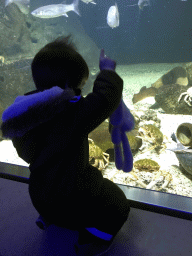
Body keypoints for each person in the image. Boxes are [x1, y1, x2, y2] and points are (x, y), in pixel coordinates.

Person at [1, 35, 130, 255]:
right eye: (80, 86)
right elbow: (102, 101)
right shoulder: (69, 116)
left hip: (39, 194)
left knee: (73, 183)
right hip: (70, 197)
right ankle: (91, 241)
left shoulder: (23, 115)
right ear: (70, 86)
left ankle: (49, 218)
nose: (81, 92)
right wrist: (107, 73)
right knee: (117, 203)